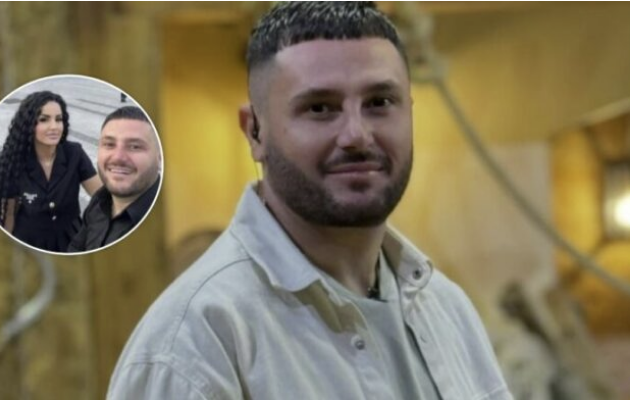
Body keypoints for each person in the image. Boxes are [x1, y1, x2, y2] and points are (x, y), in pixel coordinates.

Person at [108, 3, 513, 399]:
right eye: (320, 108)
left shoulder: (445, 308)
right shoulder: (194, 345)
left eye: (379, 103)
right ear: (255, 132)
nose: (357, 135)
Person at [0, 91, 102, 252]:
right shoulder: (14, 160)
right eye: (43, 119)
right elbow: (9, 214)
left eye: (58, 119)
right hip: (28, 243)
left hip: (72, 240)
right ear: (28, 124)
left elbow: (102, 197)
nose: (54, 127)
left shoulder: (74, 154)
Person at [68, 106, 161, 252]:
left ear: (160, 156)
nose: (118, 157)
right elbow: (76, 249)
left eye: (135, 146)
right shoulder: (99, 201)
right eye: (109, 144)